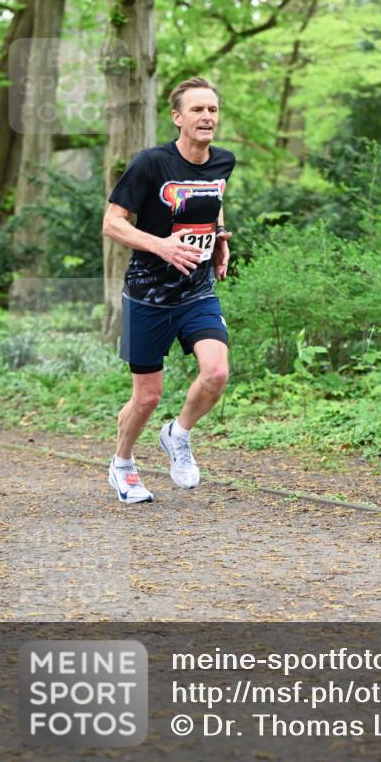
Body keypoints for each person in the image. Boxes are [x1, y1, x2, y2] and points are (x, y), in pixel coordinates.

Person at [102, 77, 235, 504]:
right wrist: (159, 244)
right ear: (177, 117)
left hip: (196, 290)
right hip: (148, 294)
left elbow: (212, 203)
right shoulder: (150, 164)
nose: (207, 117)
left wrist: (220, 240)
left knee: (216, 372)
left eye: (212, 110)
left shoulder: (223, 162)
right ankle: (122, 464)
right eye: (197, 110)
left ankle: (178, 434)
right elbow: (112, 222)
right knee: (147, 395)